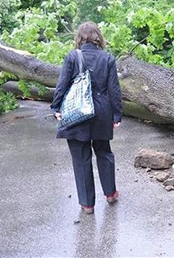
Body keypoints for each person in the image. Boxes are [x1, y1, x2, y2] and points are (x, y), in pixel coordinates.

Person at [50, 21, 122, 214]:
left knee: (81, 159)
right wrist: (116, 114)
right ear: (98, 37)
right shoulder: (107, 58)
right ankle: (111, 194)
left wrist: (56, 107)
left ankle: (87, 204)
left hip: (77, 112)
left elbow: (62, 84)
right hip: (101, 111)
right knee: (104, 153)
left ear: (79, 38)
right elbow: (114, 90)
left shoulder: (73, 57)